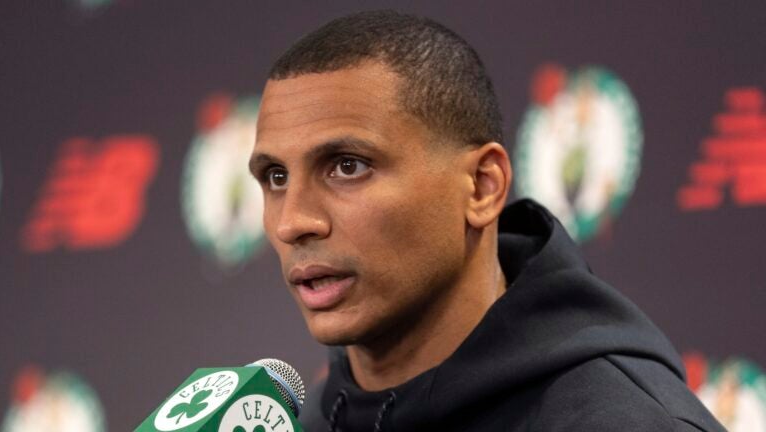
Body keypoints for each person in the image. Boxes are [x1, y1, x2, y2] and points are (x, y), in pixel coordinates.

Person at [250, 9, 725, 432]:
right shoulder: (305, 420)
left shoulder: (623, 420)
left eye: (348, 166)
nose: (293, 222)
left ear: (482, 186)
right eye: (275, 177)